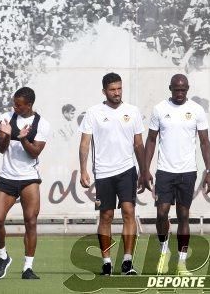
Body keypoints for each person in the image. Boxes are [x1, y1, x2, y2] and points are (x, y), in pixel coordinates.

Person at [144, 74, 210, 276]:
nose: (180, 93)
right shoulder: (160, 109)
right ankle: (163, 254)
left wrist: (209, 171)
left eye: (183, 90)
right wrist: (145, 169)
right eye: (176, 89)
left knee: (183, 216)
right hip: (165, 171)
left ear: (188, 89)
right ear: (170, 88)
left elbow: (204, 142)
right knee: (161, 213)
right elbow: (150, 140)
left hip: (187, 172)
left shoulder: (196, 110)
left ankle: (182, 263)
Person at [78, 72, 146, 276]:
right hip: (104, 172)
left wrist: (144, 171)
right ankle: (106, 261)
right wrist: (83, 170)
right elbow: (84, 144)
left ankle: (127, 261)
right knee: (106, 216)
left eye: (119, 89)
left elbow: (138, 143)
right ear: (104, 91)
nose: (116, 93)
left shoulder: (132, 111)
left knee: (128, 212)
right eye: (112, 90)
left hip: (127, 170)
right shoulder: (93, 112)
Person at [0, 87, 50, 280]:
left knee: (31, 222)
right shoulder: (6, 117)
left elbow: (34, 152)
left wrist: (24, 139)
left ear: (29, 105)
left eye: (19, 104)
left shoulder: (42, 124)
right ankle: (3, 256)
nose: (14, 107)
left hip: (29, 178)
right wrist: (6, 135)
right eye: (14, 103)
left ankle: (28, 268)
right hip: (7, 177)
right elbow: (1, 149)